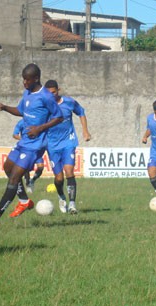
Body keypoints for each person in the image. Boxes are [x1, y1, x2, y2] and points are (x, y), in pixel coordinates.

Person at [0, 63, 62, 229]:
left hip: (35, 145)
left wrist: (40, 128)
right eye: (23, 79)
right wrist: (4, 107)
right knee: (8, 168)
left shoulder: (46, 96)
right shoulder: (27, 92)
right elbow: (21, 111)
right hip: (23, 141)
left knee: (15, 176)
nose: (24, 82)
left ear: (36, 79)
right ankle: (24, 201)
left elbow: (59, 117)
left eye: (27, 79)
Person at [44, 80, 92, 214]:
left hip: (68, 142)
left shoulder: (69, 102)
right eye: (48, 93)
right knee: (59, 178)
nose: (51, 96)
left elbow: (81, 112)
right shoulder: (44, 106)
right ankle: (61, 195)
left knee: (69, 171)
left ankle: (72, 204)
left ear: (58, 90)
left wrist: (85, 131)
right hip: (52, 145)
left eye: (53, 92)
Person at [13, 119, 44, 193]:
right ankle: (28, 183)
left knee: (41, 167)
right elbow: (15, 134)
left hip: (36, 149)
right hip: (26, 148)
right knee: (25, 167)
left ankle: (32, 180)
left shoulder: (37, 121)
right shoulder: (21, 122)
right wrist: (24, 139)